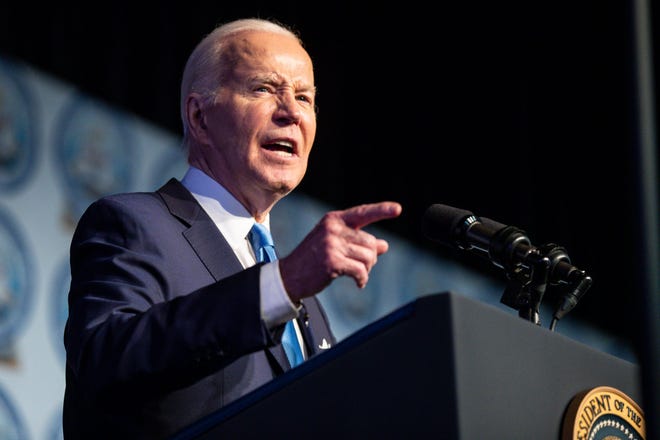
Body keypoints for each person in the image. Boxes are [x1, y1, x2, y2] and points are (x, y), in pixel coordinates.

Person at [62, 17, 402, 439]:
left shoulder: (306, 306)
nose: (292, 112)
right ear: (200, 117)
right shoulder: (133, 224)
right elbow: (105, 362)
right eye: (263, 89)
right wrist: (285, 281)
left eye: (304, 97)